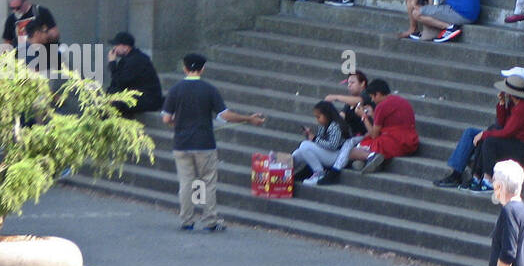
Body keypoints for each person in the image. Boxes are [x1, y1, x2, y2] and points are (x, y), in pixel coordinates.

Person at [161, 53, 267, 231]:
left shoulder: (175, 89)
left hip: (181, 143)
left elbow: (166, 119)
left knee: (186, 182)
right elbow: (224, 115)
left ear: (184, 68)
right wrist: (248, 118)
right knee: (207, 182)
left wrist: (178, 124)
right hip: (204, 143)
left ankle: (187, 220)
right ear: (203, 69)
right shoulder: (209, 89)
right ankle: (210, 220)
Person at [434, 69, 524, 191]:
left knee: (489, 139)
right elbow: (501, 123)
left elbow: (507, 131)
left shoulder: (523, 108)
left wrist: (484, 134)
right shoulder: (514, 103)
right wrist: (502, 104)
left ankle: (488, 179)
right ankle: (460, 175)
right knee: (472, 133)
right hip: (514, 139)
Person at [331, 78, 418, 175]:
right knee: (362, 147)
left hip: (396, 143)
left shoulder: (382, 105)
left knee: (353, 151)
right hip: (411, 141)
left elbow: (374, 135)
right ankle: (364, 162)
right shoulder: (402, 101)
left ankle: (371, 156)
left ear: (378, 94)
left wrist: (363, 117)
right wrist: (373, 115)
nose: (372, 100)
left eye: (373, 97)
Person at [485, 160, 524, 266]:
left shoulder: (509, 211)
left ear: (500, 186)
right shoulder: (522, 209)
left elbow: (508, 253)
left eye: (494, 181)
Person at [291, 101, 350, 186]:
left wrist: (314, 139)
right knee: (299, 151)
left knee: (304, 145)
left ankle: (319, 173)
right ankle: (286, 170)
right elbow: (320, 141)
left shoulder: (335, 126)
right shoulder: (323, 125)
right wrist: (310, 136)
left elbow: (333, 146)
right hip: (326, 153)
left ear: (327, 115)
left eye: (319, 117)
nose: (317, 120)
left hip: (336, 156)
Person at [106, 32, 164, 117]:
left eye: (116, 45)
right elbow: (116, 83)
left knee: (116, 103)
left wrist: (112, 63)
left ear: (125, 47)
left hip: (148, 99)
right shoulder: (126, 60)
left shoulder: (137, 60)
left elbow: (121, 81)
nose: (114, 49)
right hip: (137, 95)